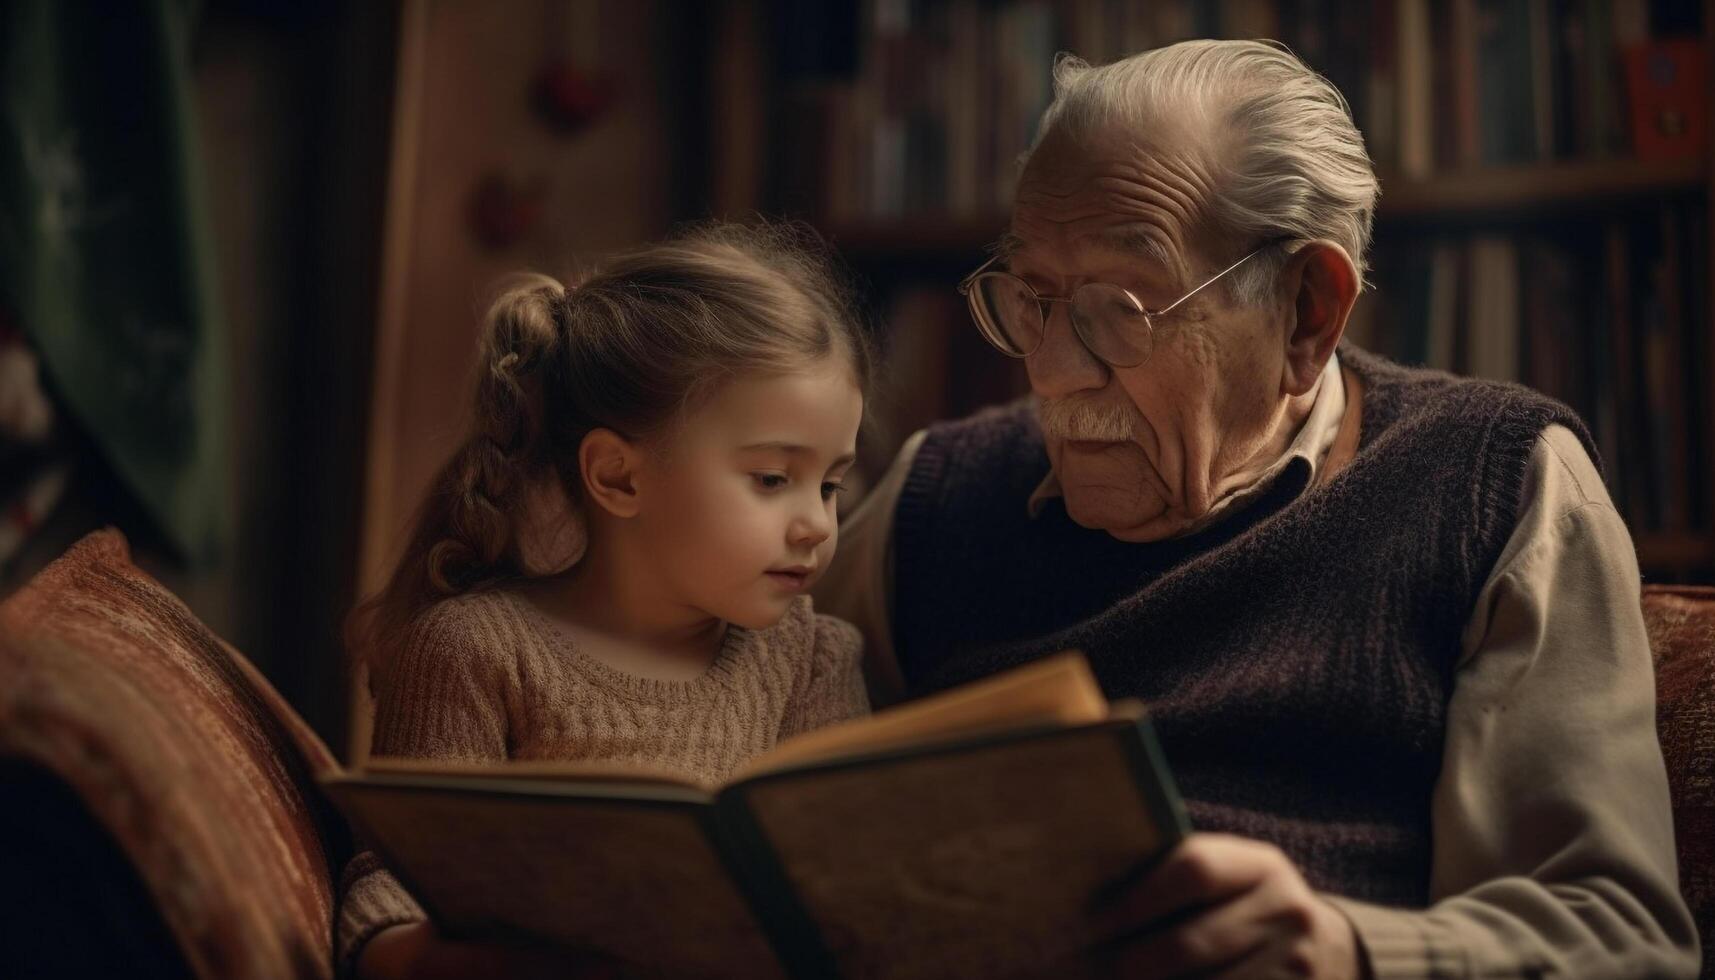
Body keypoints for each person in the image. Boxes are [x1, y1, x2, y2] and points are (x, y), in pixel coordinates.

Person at [815, 40, 1700, 978]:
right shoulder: (936, 492)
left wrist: (1348, 950)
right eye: (1033, 299)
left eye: (1121, 307)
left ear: (1305, 311)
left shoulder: (1492, 482)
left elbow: (1620, 938)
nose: (1053, 372)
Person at [338, 223, 873, 979]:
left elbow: (848, 889)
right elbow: (396, 877)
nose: (817, 524)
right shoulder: (473, 651)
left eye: (830, 484)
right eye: (771, 479)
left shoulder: (814, 659)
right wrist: (415, 956)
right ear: (619, 477)